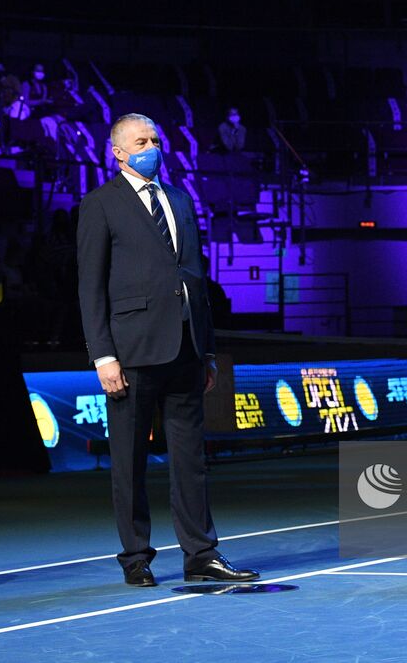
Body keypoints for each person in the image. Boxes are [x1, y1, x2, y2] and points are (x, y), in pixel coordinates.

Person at [76, 113, 259, 587]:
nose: (152, 146)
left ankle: (201, 553)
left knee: (191, 459)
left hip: (185, 348)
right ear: (118, 151)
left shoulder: (178, 200)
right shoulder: (101, 204)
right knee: (130, 461)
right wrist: (103, 354)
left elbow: (197, 280)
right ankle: (136, 557)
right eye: (141, 141)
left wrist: (209, 350)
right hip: (132, 351)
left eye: (155, 139)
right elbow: (90, 286)